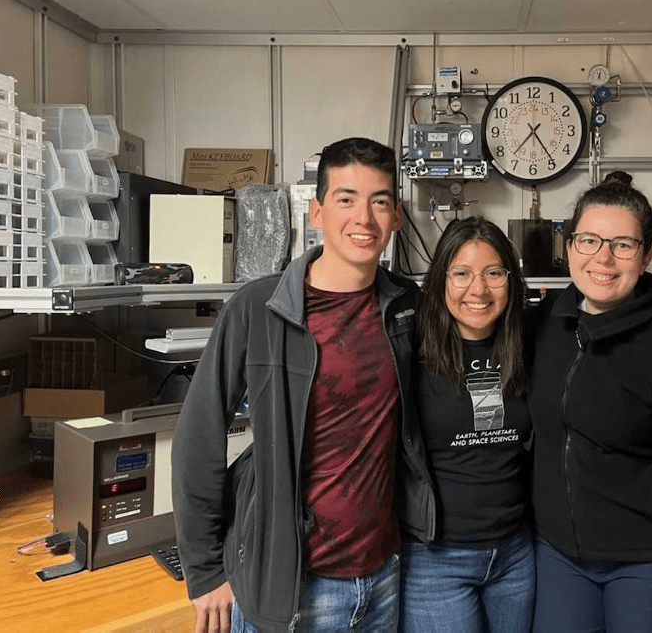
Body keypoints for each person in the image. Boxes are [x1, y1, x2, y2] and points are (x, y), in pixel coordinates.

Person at [172, 137, 430, 633]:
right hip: (293, 587)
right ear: (316, 211)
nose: (364, 218)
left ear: (397, 216)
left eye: (379, 201)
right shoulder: (258, 308)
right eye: (346, 199)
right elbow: (197, 440)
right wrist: (204, 572)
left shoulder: (405, 306)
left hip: (383, 578)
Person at [527, 171, 652, 633]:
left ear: (645, 257)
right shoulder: (544, 323)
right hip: (559, 559)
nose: (603, 258)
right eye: (589, 240)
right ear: (569, 247)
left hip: (646, 563)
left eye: (623, 245)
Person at [399, 217, 534, 633]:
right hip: (436, 560)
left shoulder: (530, 344)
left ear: (511, 280)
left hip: (516, 553)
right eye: (461, 274)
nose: (478, 290)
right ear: (441, 280)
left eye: (493, 273)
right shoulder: (410, 349)